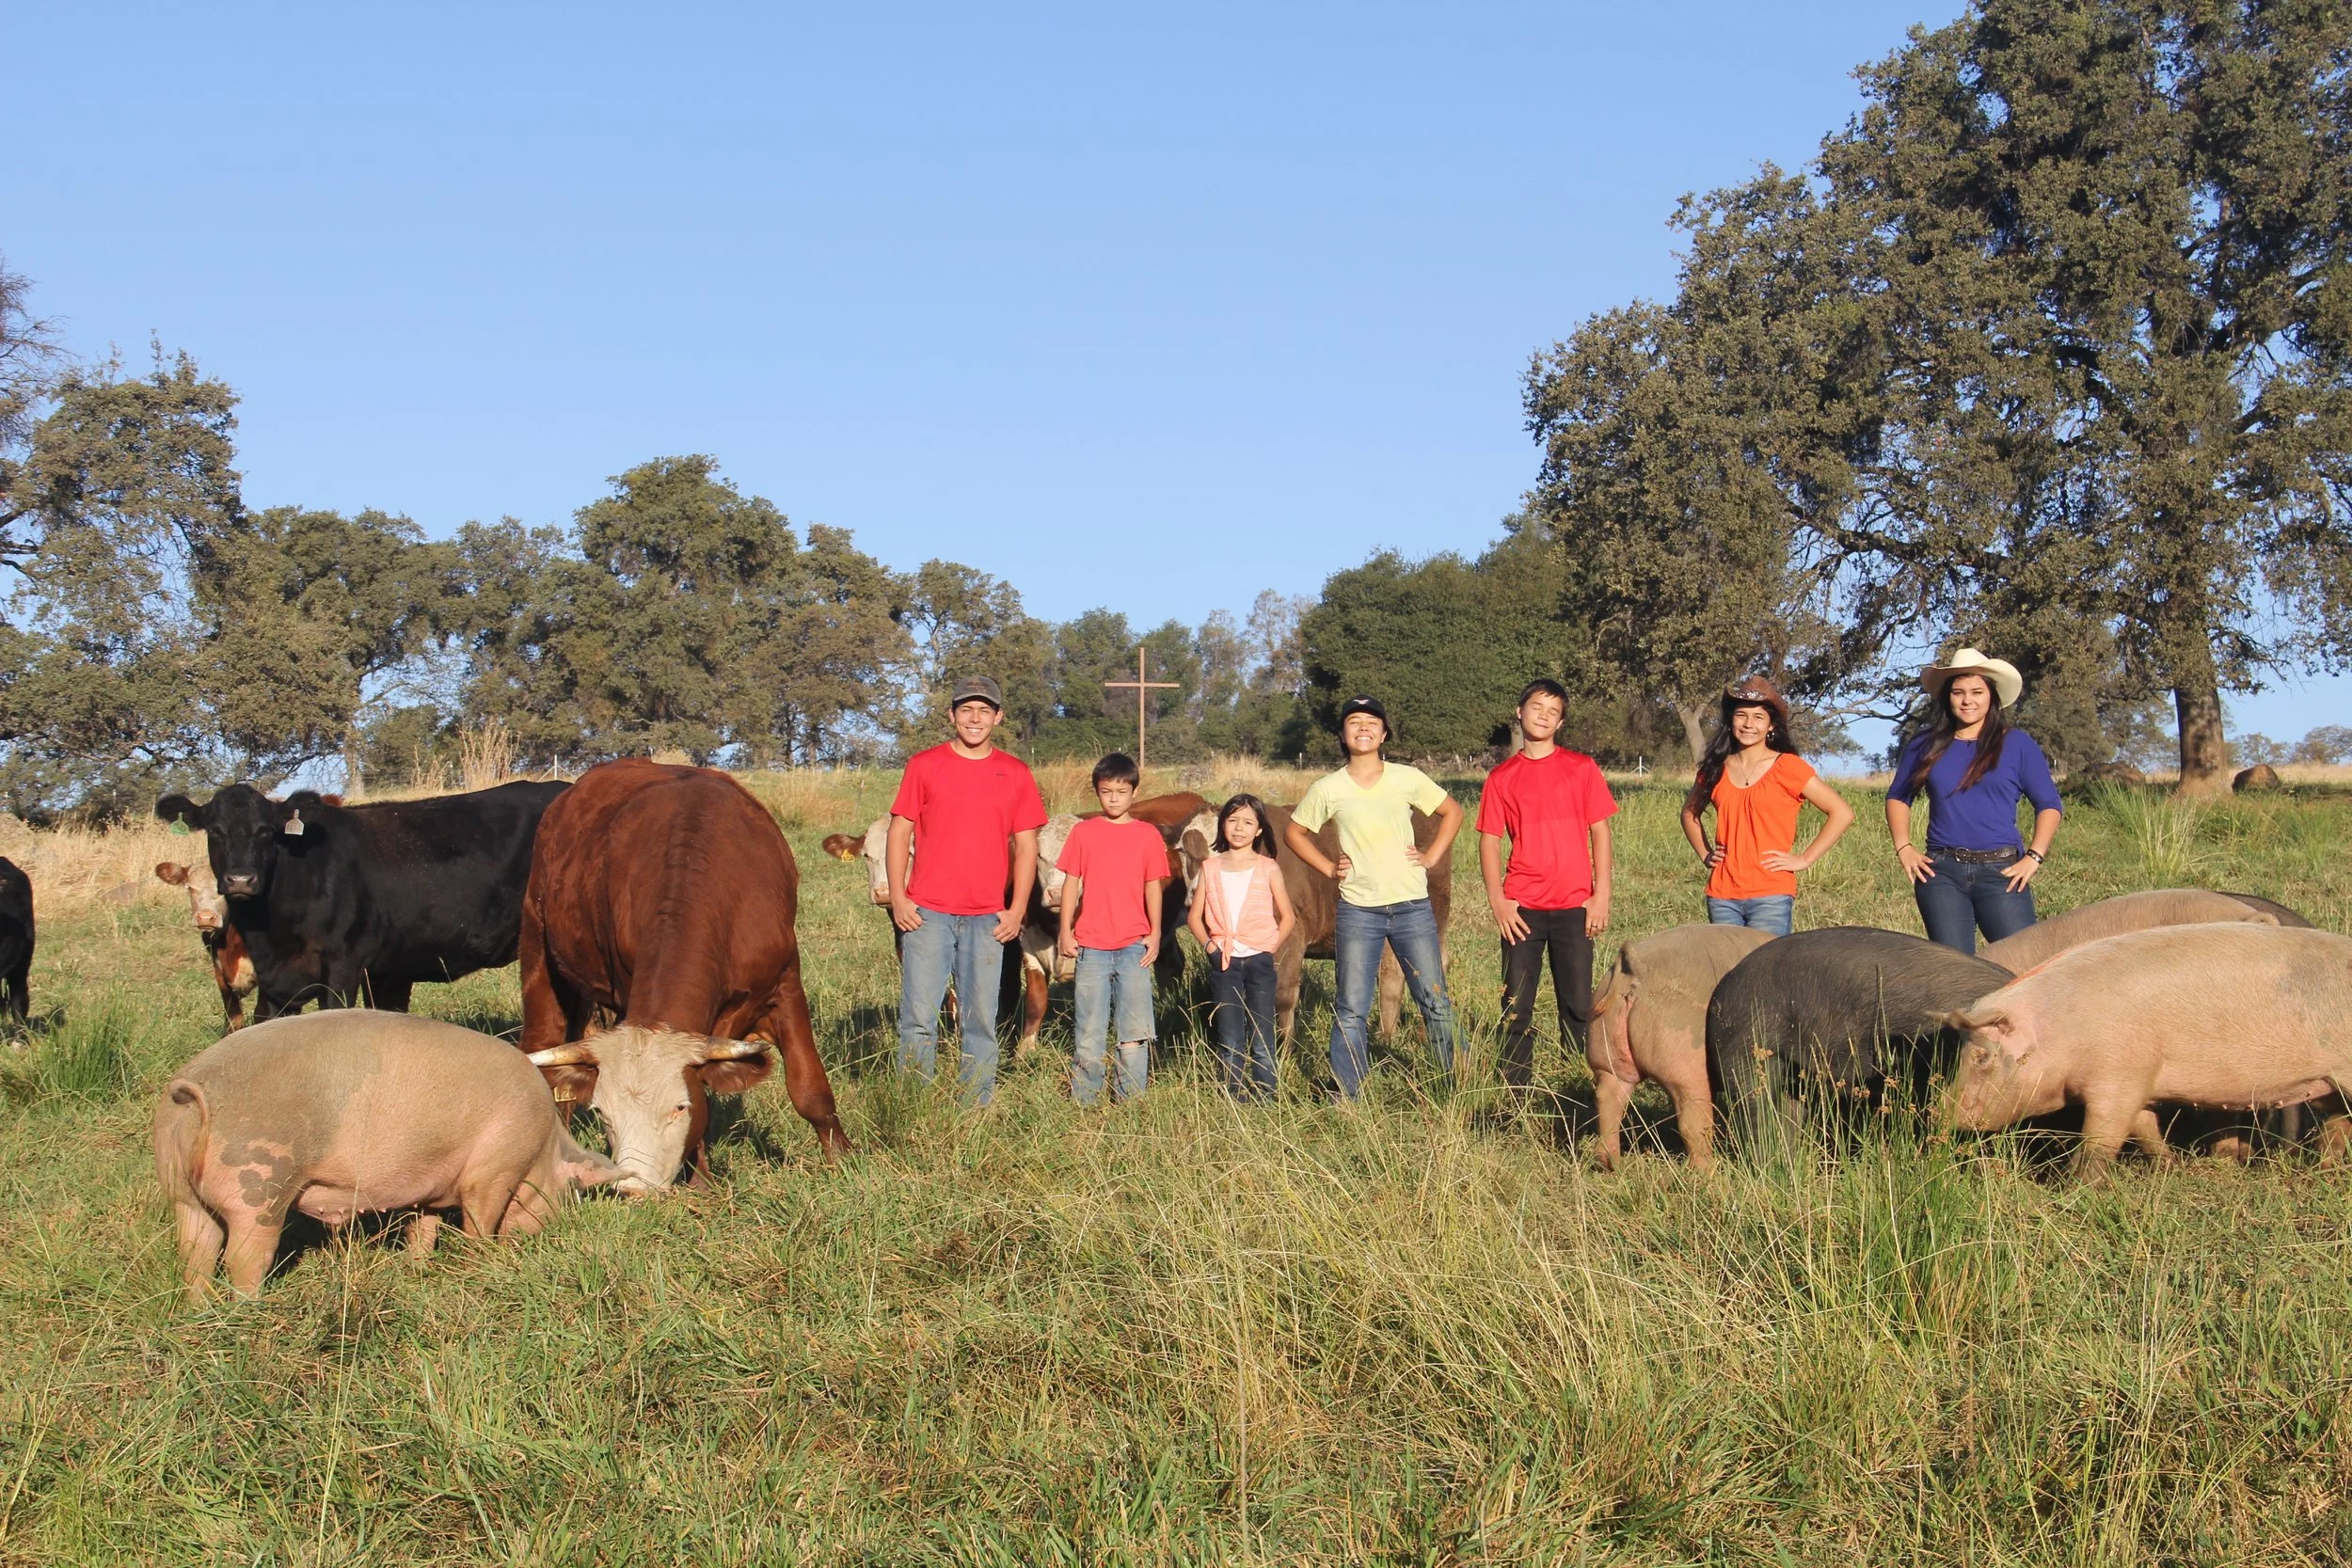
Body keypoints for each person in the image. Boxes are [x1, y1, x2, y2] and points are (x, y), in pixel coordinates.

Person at [1285, 695, 1465, 1098]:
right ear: (1343, 735)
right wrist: (1329, 868)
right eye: (1354, 722)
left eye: (1371, 722)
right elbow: (1294, 833)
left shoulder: (1407, 777)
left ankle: (1459, 1084)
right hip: (1358, 910)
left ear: (1383, 734)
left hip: (1411, 907)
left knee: (1433, 999)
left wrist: (1432, 855)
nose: (1363, 728)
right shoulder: (1328, 788)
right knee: (1351, 1007)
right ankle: (1349, 1092)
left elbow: (1452, 812)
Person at [887, 675, 1047, 1105]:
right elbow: (900, 831)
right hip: (927, 913)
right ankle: (913, 1107)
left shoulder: (1015, 773)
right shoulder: (924, 765)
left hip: (987, 918)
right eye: (965, 710)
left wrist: (1015, 911)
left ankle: (975, 1106)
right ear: (951, 715)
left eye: (984, 711)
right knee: (918, 1018)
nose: (974, 719)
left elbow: (1027, 847)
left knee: (980, 1020)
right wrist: (900, 898)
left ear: (998, 717)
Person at [1477, 678, 1618, 1091]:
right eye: (1537, 707)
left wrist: (1601, 895)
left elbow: (1601, 832)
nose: (1543, 715)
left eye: (1553, 711)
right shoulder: (1502, 777)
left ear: (1560, 722)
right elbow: (1489, 840)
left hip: (1575, 905)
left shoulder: (1581, 768)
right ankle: (1515, 1093)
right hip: (1522, 909)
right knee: (1515, 1005)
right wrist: (1498, 902)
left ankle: (1576, 1086)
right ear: (1519, 713)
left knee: (1577, 1004)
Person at [1884, 648, 2062, 954]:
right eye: (1959, 692)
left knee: (2023, 965)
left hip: (2003, 873)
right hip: (1941, 874)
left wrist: (2033, 857)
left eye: (1977, 692)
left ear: (1991, 695)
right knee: (1954, 972)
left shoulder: (2017, 744)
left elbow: (2049, 804)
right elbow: (1898, 797)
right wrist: (1904, 847)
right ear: (1947, 697)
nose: (1968, 700)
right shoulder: (1924, 744)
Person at [1677, 675, 1855, 936]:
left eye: (1758, 717)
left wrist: (1805, 859)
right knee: (1727, 973)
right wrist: (1705, 854)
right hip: (1722, 895)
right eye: (1742, 716)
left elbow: (1842, 812)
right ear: (1731, 721)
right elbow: (1689, 813)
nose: (1749, 724)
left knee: (1764, 972)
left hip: (1771, 895)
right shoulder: (1715, 768)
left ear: (1771, 726)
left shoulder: (1788, 767)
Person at [1054, 753, 1170, 1104]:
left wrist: (1155, 932)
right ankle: (1085, 1100)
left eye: (1122, 791)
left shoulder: (1147, 835)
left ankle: (1130, 1100)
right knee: (1089, 1028)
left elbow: (1153, 886)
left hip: (1134, 944)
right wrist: (1065, 930)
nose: (1114, 798)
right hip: (1091, 946)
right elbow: (1071, 884)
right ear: (1097, 793)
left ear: (1134, 791)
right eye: (1107, 792)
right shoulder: (1083, 832)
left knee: (1134, 1029)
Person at [1185, 792, 1296, 1101]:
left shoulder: (1268, 868)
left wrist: (1269, 946)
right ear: (1222, 826)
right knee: (1230, 1033)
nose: (1239, 828)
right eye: (1232, 820)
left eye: (1248, 822)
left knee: (1262, 1030)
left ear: (1259, 829)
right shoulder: (1210, 867)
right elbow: (1195, 917)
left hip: (1259, 960)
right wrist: (1211, 947)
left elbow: (1288, 916)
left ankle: (1266, 1094)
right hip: (1224, 961)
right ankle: (1233, 1095)